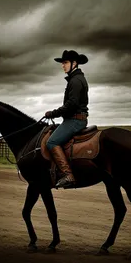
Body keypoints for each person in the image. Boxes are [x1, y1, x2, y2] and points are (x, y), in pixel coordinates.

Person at [45, 50, 89, 188]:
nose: (62, 66)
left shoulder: (75, 80)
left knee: (51, 142)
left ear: (74, 63)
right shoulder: (76, 78)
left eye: (65, 63)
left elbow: (72, 105)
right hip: (75, 118)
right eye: (62, 63)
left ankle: (68, 174)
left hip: (75, 120)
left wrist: (53, 113)